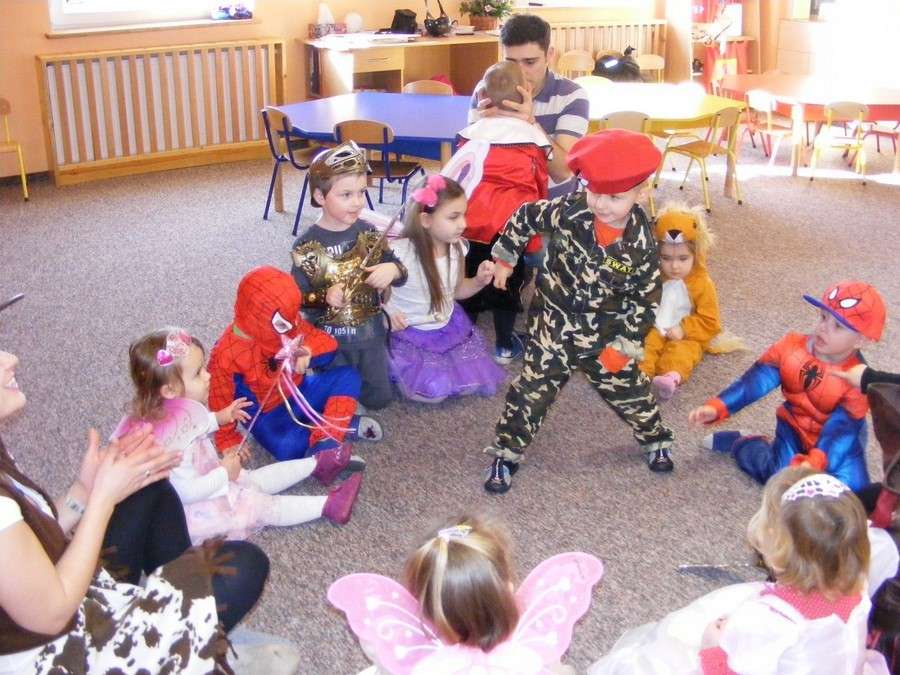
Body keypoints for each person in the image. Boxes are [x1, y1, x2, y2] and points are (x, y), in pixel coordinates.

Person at [0, 306, 271, 673]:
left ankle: (180, 622)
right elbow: (51, 614)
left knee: (149, 488)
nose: (10, 359)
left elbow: (27, 544)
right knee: (245, 565)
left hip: (69, 595)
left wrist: (82, 490)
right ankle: (181, 640)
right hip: (65, 652)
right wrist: (102, 500)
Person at [482, 129, 675, 494]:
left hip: (605, 335)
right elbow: (526, 216)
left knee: (630, 391)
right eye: (594, 191)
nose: (601, 204)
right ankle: (506, 452)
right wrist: (505, 257)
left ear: (641, 193)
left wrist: (625, 346)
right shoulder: (571, 210)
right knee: (530, 393)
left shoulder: (642, 244)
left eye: (615, 197)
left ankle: (655, 438)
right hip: (552, 326)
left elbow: (646, 301)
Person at [587, 467, 892, 674]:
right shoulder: (858, 586)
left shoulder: (770, 619)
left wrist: (712, 647)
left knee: (658, 654)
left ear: (777, 550)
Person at [117, 328, 365, 544]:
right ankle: (328, 506)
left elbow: (194, 426)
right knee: (262, 506)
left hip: (211, 476)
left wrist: (219, 418)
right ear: (170, 390)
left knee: (251, 479)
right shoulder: (169, 447)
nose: (208, 375)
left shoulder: (171, 409)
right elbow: (188, 492)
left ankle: (316, 464)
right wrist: (224, 474)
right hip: (200, 508)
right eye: (198, 373)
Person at [327, 513, 603, 674]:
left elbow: (384, 663)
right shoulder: (529, 653)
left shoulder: (414, 656)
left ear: (420, 604)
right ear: (508, 589)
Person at [689, 280, 887, 491]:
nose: (822, 328)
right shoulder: (790, 348)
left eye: (838, 326)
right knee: (778, 479)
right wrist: (719, 406)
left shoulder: (858, 379)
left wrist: (816, 461)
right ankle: (745, 442)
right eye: (823, 317)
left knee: (853, 497)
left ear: (861, 340)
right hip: (794, 427)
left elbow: (842, 429)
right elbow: (754, 382)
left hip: (839, 444)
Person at [208, 266, 381, 461]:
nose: (293, 326)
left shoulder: (289, 323)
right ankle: (336, 424)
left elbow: (327, 344)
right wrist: (227, 438)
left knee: (349, 377)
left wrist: (309, 350)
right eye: (284, 323)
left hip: (301, 391)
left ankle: (328, 436)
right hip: (268, 416)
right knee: (288, 448)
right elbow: (219, 399)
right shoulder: (226, 354)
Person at [448, 61, 553, 364]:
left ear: (482, 95)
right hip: (510, 230)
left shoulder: (470, 134)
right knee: (505, 286)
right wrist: (533, 239)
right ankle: (504, 346)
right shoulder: (532, 138)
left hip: (469, 224)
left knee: (469, 279)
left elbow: (459, 176)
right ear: (527, 92)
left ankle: (462, 341)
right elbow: (539, 187)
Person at [291, 141, 408, 411]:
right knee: (335, 402)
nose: (357, 202)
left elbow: (400, 272)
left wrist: (392, 270)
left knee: (380, 399)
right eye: (346, 195)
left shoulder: (368, 233)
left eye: (361, 192)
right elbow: (297, 298)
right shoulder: (306, 246)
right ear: (320, 196)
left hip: (371, 335)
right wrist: (324, 296)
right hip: (330, 341)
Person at [382, 176, 505, 403]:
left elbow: (456, 291)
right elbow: (377, 295)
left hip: (447, 327)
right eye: (453, 217)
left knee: (468, 381)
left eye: (464, 215)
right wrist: (387, 312)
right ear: (426, 220)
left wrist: (478, 281)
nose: (463, 224)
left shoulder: (457, 248)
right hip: (410, 333)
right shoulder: (400, 253)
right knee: (433, 393)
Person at [469, 14, 589, 200]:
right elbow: (473, 163)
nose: (520, 72)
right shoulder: (487, 90)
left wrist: (530, 124)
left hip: (554, 204)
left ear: (549, 55)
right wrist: (485, 128)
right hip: (500, 201)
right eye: (511, 62)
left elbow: (563, 172)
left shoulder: (572, 96)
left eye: (530, 62)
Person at [639, 203, 726, 401]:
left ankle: (670, 377)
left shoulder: (702, 284)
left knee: (684, 351)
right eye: (666, 258)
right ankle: (640, 376)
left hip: (687, 334)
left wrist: (683, 329)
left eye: (683, 258)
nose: (674, 266)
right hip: (656, 325)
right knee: (646, 343)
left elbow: (711, 322)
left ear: (696, 255)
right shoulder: (655, 275)